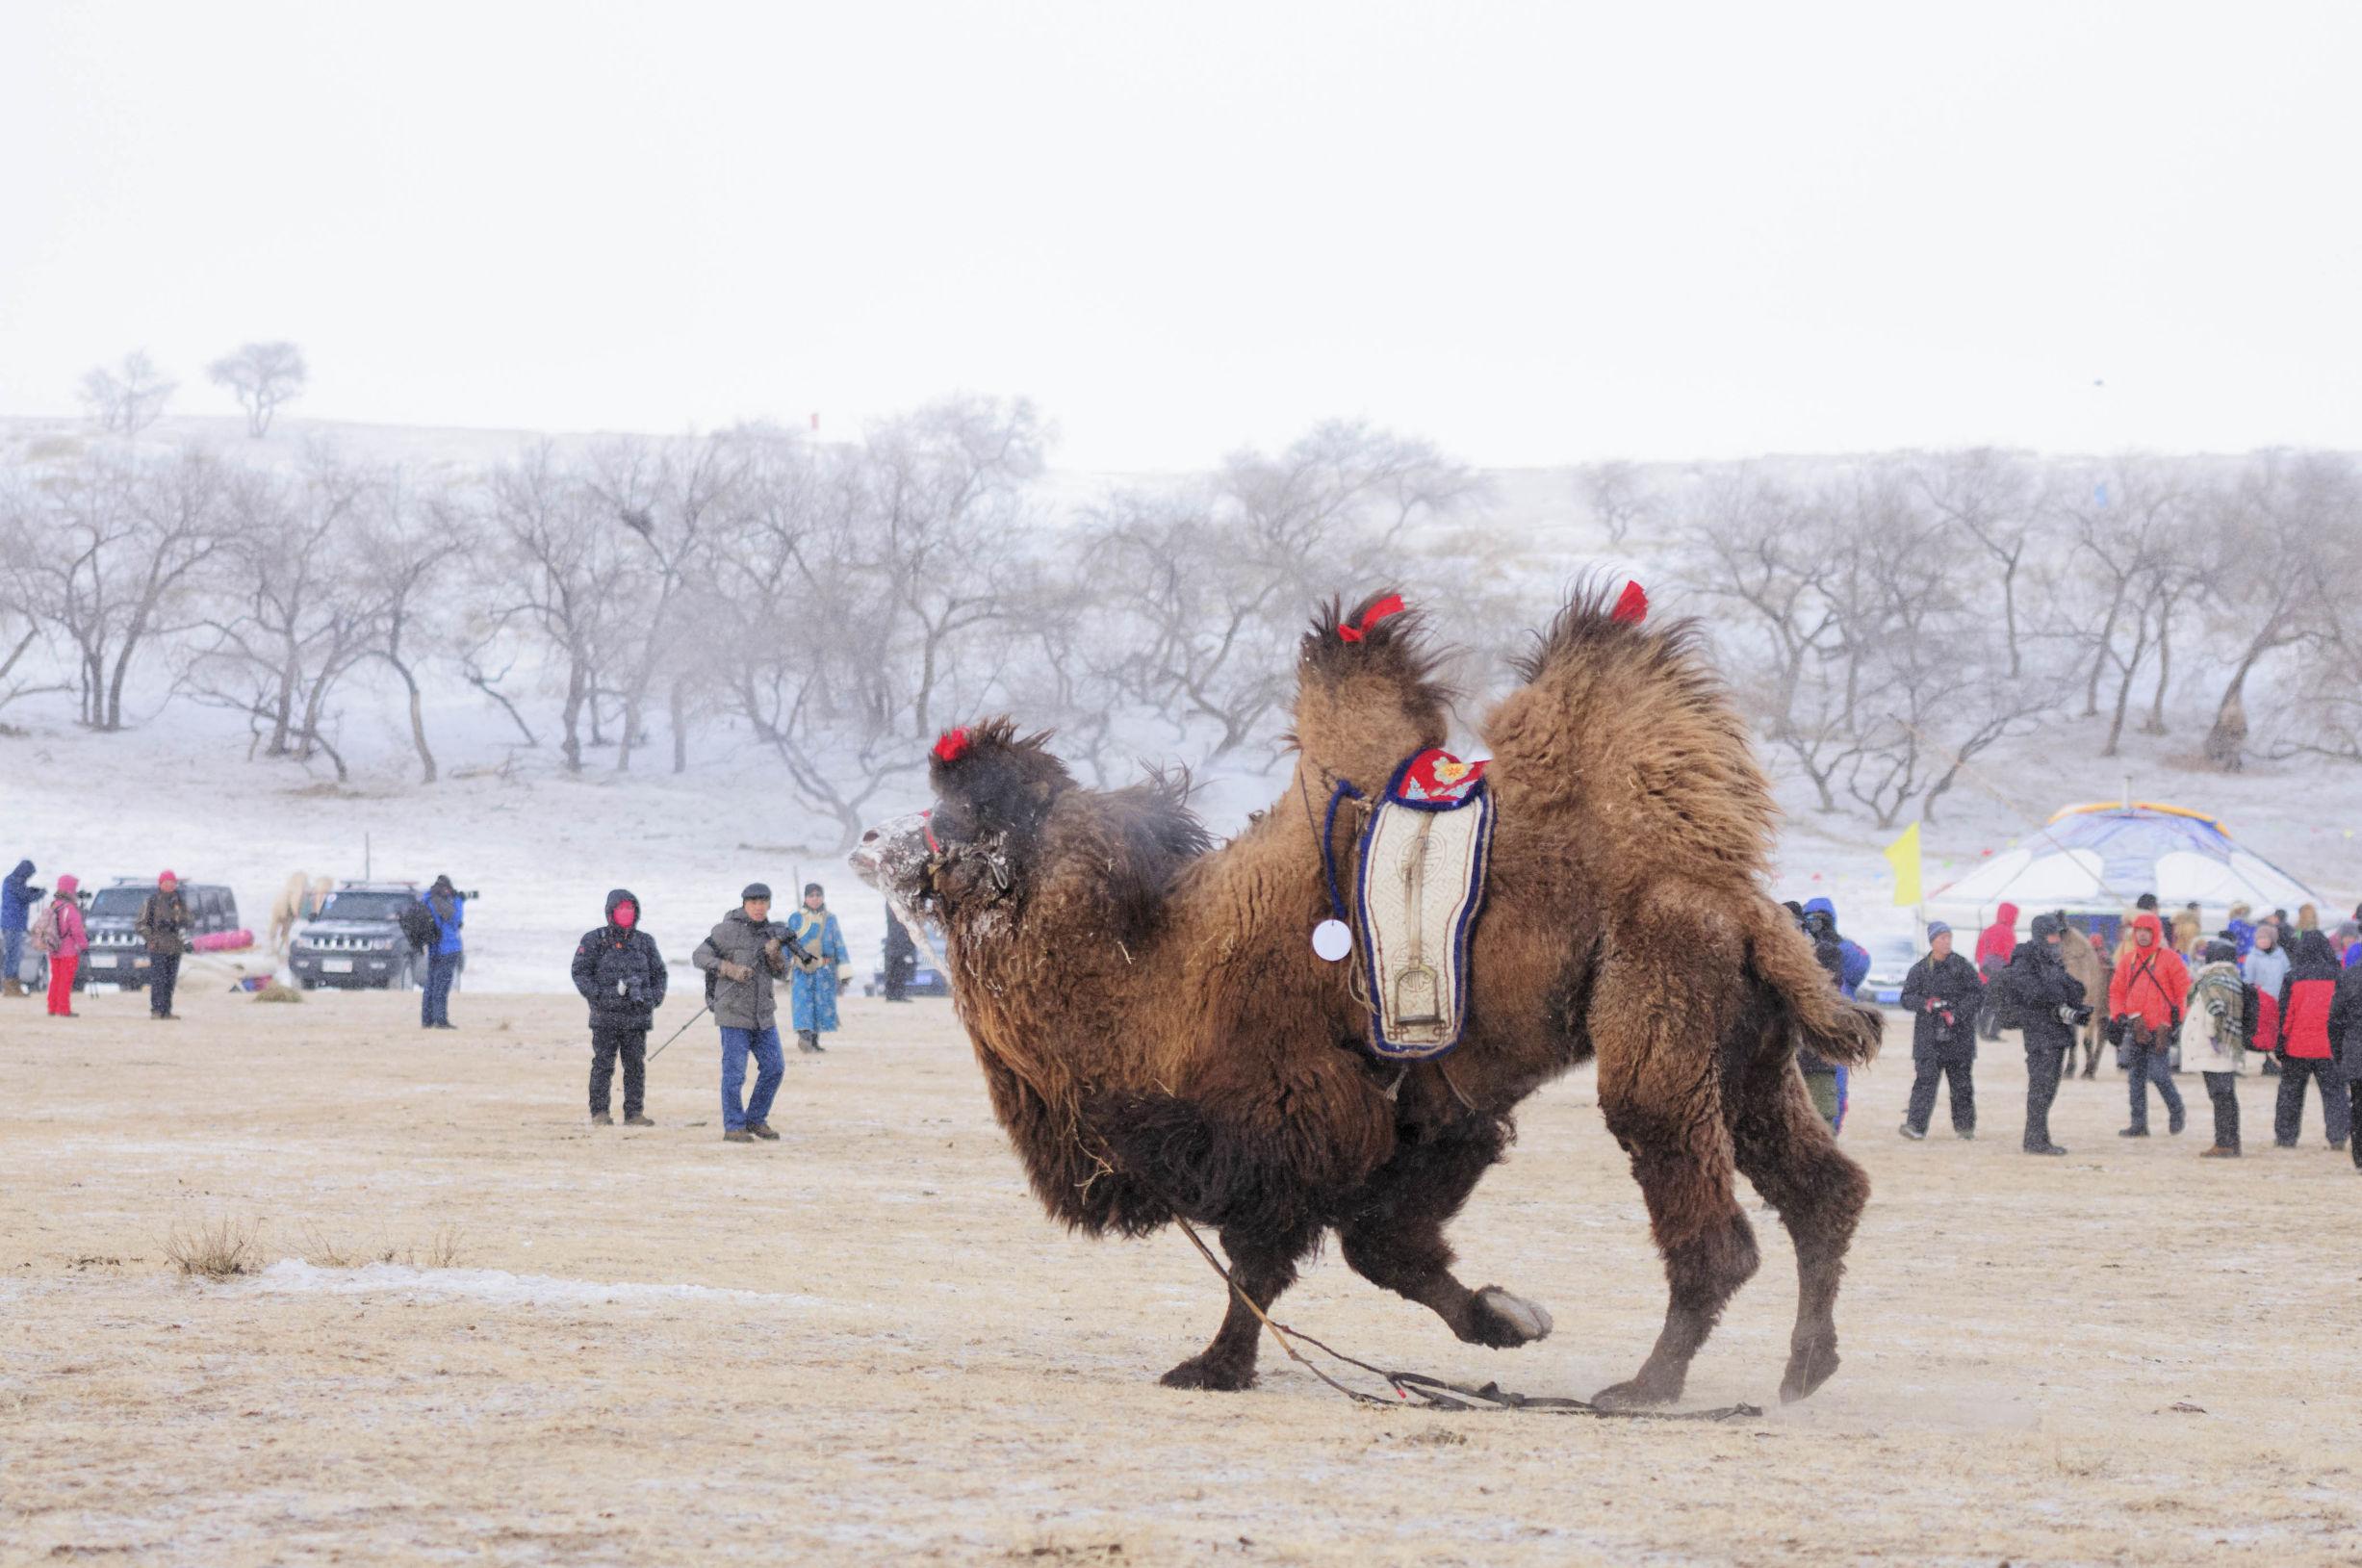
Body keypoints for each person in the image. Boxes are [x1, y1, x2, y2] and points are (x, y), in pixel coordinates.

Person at [693, 883, 789, 1144]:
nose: (759, 907)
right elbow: (699, 956)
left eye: (763, 902)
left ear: (769, 904)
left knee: (775, 1068)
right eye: (754, 902)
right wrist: (728, 968)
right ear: (745, 904)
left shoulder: (772, 932)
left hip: (764, 1014)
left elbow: (783, 974)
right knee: (734, 1073)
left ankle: (756, 1119)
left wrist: (776, 955)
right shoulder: (725, 930)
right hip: (733, 1012)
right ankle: (734, 1126)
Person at [571, 888, 667, 1127]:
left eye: (630, 908)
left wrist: (651, 998)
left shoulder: (644, 941)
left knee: (635, 1065)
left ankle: (634, 1113)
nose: (626, 913)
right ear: (611, 912)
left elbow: (659, 975)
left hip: (636, 1017)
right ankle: (600, 1113)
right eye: (621, 908)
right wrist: (600, 996)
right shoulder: (595, 939)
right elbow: (580, 972)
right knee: (603, 1064)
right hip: (605, 1016)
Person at [1996, 913, 2086, 1155]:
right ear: (2041, 936)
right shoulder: (2026, 960)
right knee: (2041, 1088)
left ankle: (2039, 1138)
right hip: (2040, 1034)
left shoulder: (2052, 961)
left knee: (2049, 1088)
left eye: (2058, 935)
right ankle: (2034, 1140)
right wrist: (2059, 993)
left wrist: (2070, 999)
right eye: (2052, 935)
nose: (2057, 940)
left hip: (2056, 1033)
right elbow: (2034, 993)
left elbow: (2077, 989)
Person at [1898, 920, 1985, 1141]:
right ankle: (1915, 1126)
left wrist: (1956, 1013)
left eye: (1949, 937)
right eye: (1942, 938)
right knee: (1924, 1083)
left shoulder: (1962, 966)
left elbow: (1977, 995)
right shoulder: (1919, 970)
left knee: (1961, 1085)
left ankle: (1965, 1127)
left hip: (1959, 1037)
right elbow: (1906, 998)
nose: (1946, 942)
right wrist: (1926, 1004)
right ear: (1932, 941)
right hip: (1928, 1039)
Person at [2108, 911, 2188, 1138]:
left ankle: (2176, 1109)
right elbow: (2116, 991)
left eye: (2148, 931)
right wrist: (2118, 1015)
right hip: (2135, 1026)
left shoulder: (2170, 959)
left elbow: (2183, 992)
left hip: (2161, 1028)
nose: (2143, 935)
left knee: (2159, 1074)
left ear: (2156, 933)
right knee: (2135, 1077)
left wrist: (2177, 1020)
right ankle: (2139, 1123)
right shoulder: (2127, 960)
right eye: (2139, 931)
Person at [2272, 930, 2350, 1149]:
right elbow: (2343, 1013)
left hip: (2297, 1045)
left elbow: (2286, 1015)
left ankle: (2286, 1136)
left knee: (2290, 1092)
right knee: (2335, 1093)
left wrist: (2280, 1044)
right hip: (2329, 1046)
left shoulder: (2293, 976)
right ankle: (2337, 1136)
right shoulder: (2338, 975)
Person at [2183, 940, 2250, 1157]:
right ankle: (2233, 1141)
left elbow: (2215, 1009)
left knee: (2220, 1095)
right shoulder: (2232, 978)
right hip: (2229, 1043)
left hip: (2214, 1046)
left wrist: (2212, 1035)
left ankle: (2224, 1143)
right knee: (2228, 1095)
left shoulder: (2213, 979)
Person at [784, 882, 850, 1053]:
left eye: (818, 895)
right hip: (802, 969)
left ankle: (814, 1041)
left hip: (825, 969)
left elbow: (838, 943)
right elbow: (787, 943)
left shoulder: (830, 919)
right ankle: (804, 1037)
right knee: (803, 1003)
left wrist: (844, 971)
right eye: (811, 895)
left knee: (821, 1004)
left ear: (823, 897)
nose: (815, 899)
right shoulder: (796, 918)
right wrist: (781, 966)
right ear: (806, 898)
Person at [135, 871, 193, 1020]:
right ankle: (156, 1010)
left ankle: (167, 1010)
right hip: (158, 947)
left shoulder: (180, 901)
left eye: (172, 882)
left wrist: (181, 921)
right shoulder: (152, 901)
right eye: (166, 882)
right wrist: (151, 938)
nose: (170, 885)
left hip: (175, 946)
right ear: (160, 884)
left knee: (170, 980)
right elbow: (140, 924)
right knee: (158, 980)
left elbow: (190, 920)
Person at [2058, 915, 2110, 1077]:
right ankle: (2074, 1063)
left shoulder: (2075, 943)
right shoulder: (2065, 946)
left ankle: (2090, 1064)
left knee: (2098, 1020)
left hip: (2092, 989)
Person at [2326, 957, 2362, 1173]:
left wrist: (2339, 1052)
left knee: (2358, 1107)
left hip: (2356, 1051)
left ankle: (2360, 1156)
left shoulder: (2351, 975)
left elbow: (2335, 1019)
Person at [419, 875, 465, 1030]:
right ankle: (441, 1019)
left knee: (430, 984)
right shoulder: (446, 902)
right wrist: (459, 900)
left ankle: (427, 1019)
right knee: (442, 986)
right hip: (448, 947)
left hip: (433, 948)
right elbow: (456, 920)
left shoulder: (427, 899)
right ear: (447, 888)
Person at [2244, 919, 2290, 1069]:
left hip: (2278, 998)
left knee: (2277, 1029)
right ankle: (2267, 1058)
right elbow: (2248, 979)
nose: (2262, 941)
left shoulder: (2280, 956)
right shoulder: (2253, 957)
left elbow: (2287, 975)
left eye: (2265, 938)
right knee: (2264, 1030)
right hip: (2262, 1000)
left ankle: (2274, 1057)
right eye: (2259, 938)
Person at [40, 876, 87, 1017]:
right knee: (65, 981)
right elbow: (77, 930)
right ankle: (63, 1009)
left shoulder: (53, 905)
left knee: (55, 979)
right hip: (68, 951)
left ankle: (52, 1007)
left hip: (53, 949)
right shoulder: (70, 908)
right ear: (70, 889)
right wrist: (84, 944)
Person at [1973, 901, 2020, 1040]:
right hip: (2001, 972)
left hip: (1985, 972)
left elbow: (1979, 951)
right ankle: (1993, 1033)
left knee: (1987, 1003)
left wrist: (1983, 966)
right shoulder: (2009, 933)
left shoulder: (1988, 930)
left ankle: (1981, 1029)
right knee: (2002, 1003)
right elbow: (2010, 954)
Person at [2, 859, 43, 999]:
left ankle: (13, 985)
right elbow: (25, 896)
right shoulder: (13, 882)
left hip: (15, 924)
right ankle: (10, 986)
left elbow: (24, 893)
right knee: (13, 955)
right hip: (12, 924)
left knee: (15, 955)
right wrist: (39, 894)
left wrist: (33, 891)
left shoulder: (12, 881)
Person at [882, 901, 917, 1003]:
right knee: (895, 969)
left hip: (896, 943)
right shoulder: (894, 903)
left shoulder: (894, 903)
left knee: (897, 969)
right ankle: (893, 994)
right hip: (897, 942)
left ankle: (895, 994)